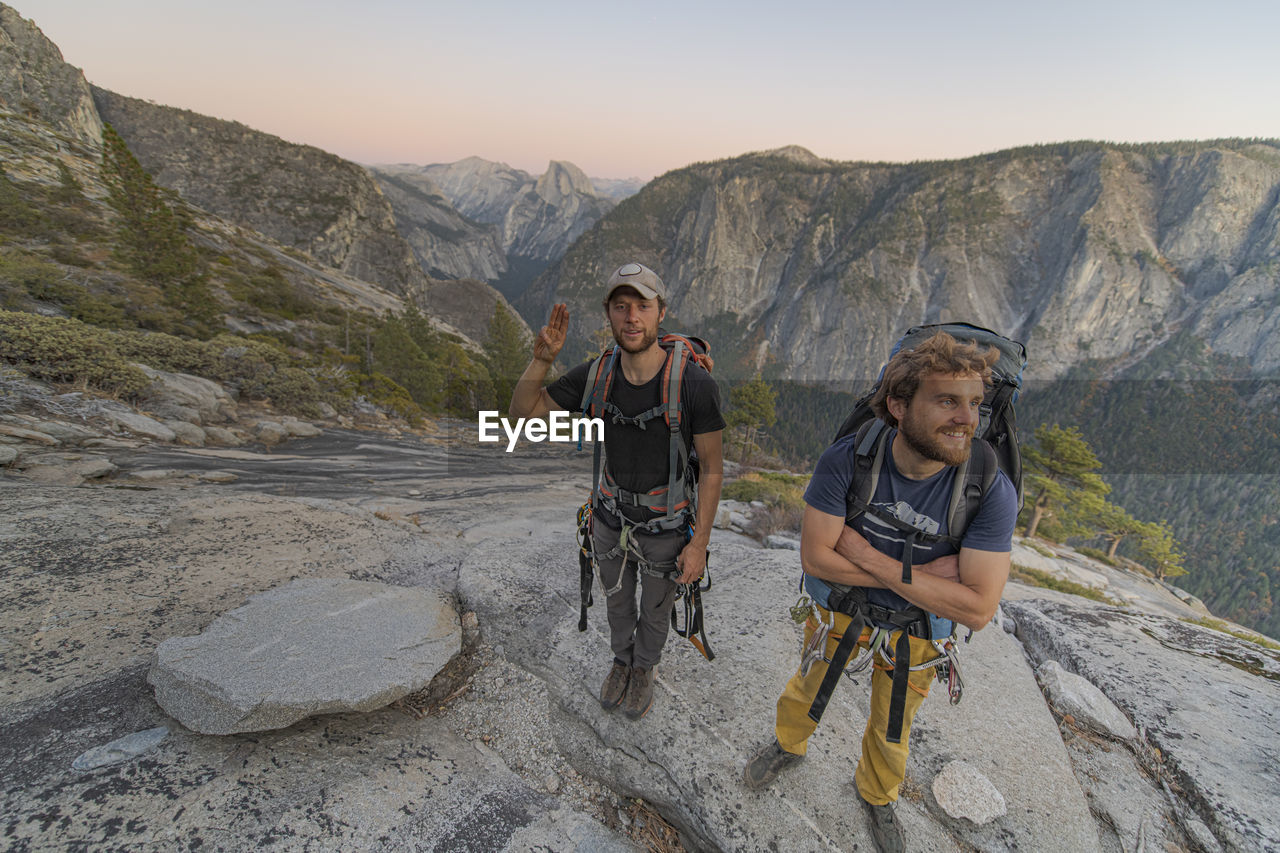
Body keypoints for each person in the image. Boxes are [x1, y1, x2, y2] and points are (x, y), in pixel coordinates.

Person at [743, 331, 1018, 853]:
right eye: (947, 401)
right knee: (809, 685)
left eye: (976, 404)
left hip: (911, 631)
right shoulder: (849, 459)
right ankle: (788, 745)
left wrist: (868, 558)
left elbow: (979, 609)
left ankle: (878, 793)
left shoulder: (987, 489)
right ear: (898, 405)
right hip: (844, 608)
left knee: (895, 721)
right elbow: (817, 558)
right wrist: (927, 579)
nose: (967, 419)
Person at [509, 262, 725, 720]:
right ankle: (622, 660)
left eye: (642, 306)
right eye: (621, 306)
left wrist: (699, 543)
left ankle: (644, 667)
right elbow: (521, 418)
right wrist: (542, 360)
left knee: (655, 607)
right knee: (618, 600)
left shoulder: (694, 385)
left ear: (659, 312)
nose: (632, 317)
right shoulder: (596, 375)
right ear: (608, 312)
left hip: (667, 524)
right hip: (610, 517)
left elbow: (711, 468)